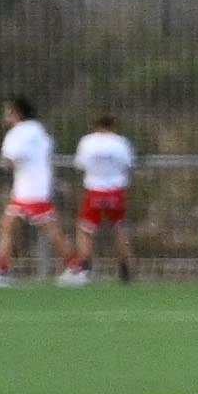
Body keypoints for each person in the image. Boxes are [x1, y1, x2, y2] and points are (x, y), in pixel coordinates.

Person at [0, 95, 64, 284]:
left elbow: (9, 160)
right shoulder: (38, 129)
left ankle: (76, 266)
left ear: (17, 113)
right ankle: (1, 268)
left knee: (51, 231)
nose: (5, 116)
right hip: (36, 188)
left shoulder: (17, 133)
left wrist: (7, 164)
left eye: (8, 112)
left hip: (28, 192)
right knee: (8, 227)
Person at [70, 112, 137, 281]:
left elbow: (80, 164)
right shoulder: (120, 142)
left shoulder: (87, 141)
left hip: (94, 190)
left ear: (96, 126)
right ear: (112, 126)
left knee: (85, 230)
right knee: (119, 229)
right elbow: (129, 163)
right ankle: (125, 269)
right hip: (116, 191)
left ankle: (85, 267)